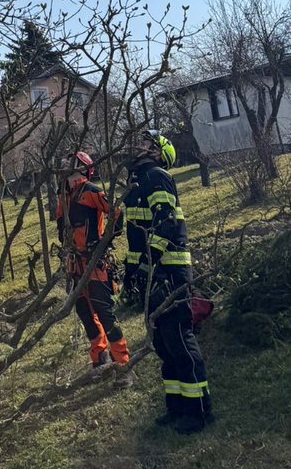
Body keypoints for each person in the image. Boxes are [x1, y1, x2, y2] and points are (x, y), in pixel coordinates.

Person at [123, 130, 213, 434]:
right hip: (151, 277)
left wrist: (150, 263)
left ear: (159, 153)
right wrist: (131, 274)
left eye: (146, 142)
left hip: (170, 274)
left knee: (180, 340)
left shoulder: (157, 176)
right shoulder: (137, 184)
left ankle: (199, 410)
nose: (138, 145)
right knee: (163, 344)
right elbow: (136, 238)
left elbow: (167, 223)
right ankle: (176, 407)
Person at [57, 151, 133, 384]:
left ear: (82, 167)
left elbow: (116, 212)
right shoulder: (64, 196)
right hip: (74, 264)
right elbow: (62, 227)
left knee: (105, 313)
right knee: (85, 314)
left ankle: (124, 366)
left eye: (70, 161)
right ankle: (100, 360)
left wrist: (104, 242)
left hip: (95, 261)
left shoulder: (90, 190)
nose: (64, 163)